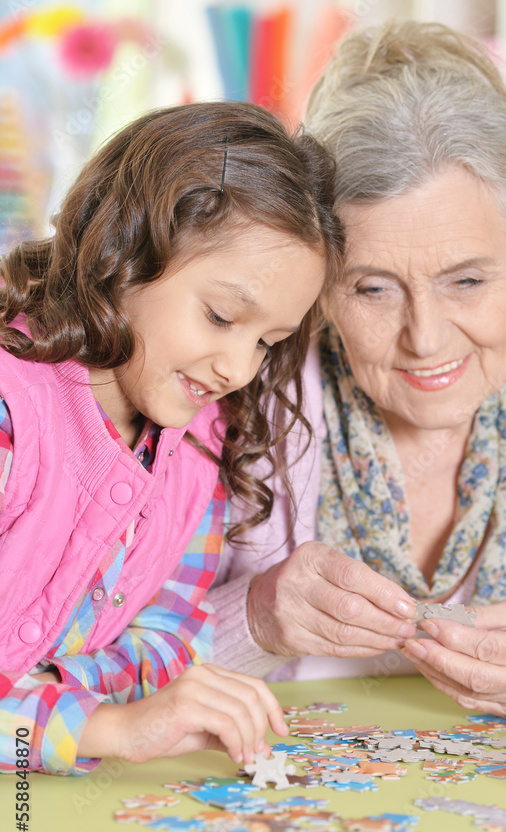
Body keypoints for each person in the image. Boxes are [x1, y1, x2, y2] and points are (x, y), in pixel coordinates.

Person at [209, 22, 506, 714]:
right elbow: (88, 660)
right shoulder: (236, 378)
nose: (424, 339)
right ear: (322, 280)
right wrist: (254, 618)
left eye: (467, 282)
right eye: (372, 288)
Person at [0, 100, 344, 774]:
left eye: (267, 342)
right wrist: (108, 726)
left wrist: (48, 699)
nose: (239, 368)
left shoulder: (200, 444)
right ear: (120, 253)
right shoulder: (12, 414)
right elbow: (128, 704)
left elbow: (170, 635)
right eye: (220, 316)